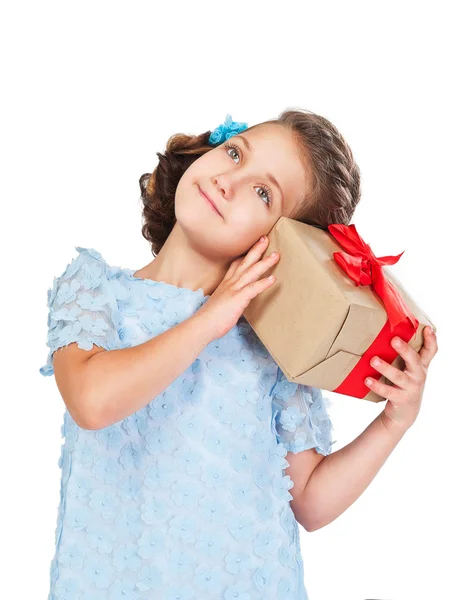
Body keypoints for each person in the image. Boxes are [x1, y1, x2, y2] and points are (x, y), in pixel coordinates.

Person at [39, 111, 438, 600]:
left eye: (263, 192)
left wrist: (393, 423)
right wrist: (210, 319)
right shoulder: (92, 288)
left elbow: (310, 501)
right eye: (234, 153)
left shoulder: (274, 348)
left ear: (286, 244)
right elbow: (93, 400)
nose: (228, 181)